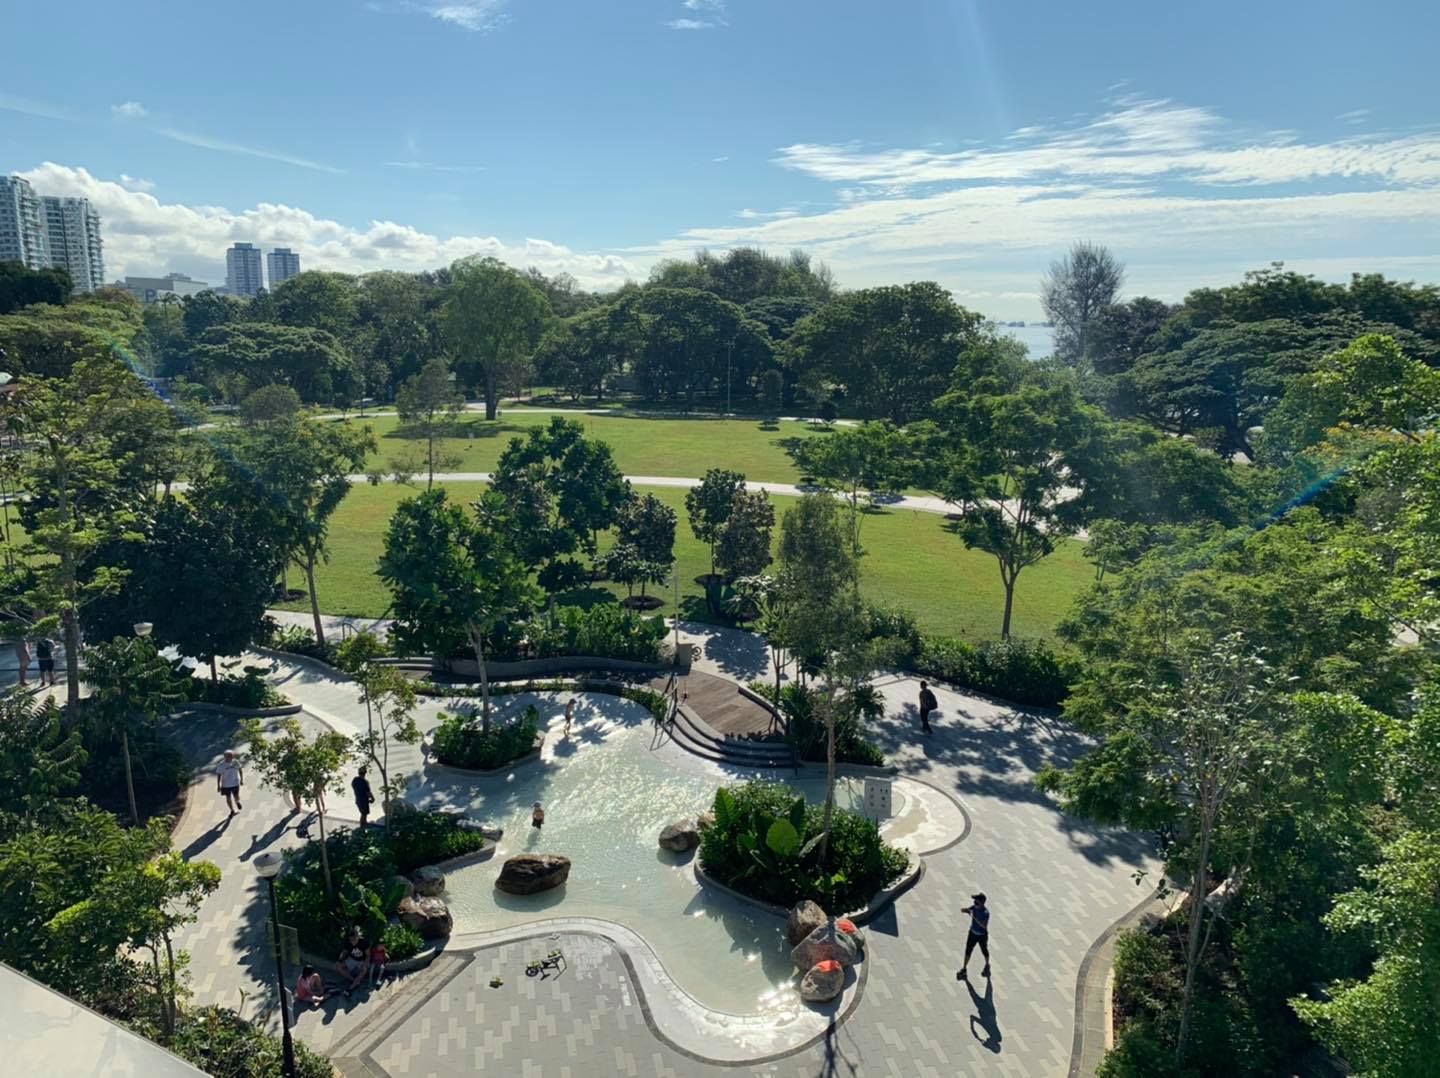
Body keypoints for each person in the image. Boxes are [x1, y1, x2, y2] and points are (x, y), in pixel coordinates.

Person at [957, 892, 991, 980]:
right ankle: (964, 969)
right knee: (968, 950)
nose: (974, 902)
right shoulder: (974, 907)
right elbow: (968, 910)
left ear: (981, 902)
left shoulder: (985, 913)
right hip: (972, 933)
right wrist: (965, 910)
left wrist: (974, 917)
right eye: (975, 900)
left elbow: (984, 925)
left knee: (984, 951)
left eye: (976, 901)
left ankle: (987, 965)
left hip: (982, 936)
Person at [336, 928, 369, 996]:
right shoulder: (348, 942)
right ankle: (353, 980)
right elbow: (344, 952)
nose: (352, 942)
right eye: (351, 940)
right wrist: (339, 960)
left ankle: (350, 988)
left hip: (362, 960)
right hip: (352, 959)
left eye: (354, 939)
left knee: (364, 970)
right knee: (338, 966)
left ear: (358, 937)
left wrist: (365, 964)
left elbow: (368, 955)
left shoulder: (364, 942)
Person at [217, 750, 244, 814]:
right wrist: (218, 785)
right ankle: (232, 810)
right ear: (225, 757)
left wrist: (241, 780)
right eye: (229, 756)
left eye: (232, 756)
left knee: (236, 796)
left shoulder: (235, 762)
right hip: (226, 785)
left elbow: (240, 770)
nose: (231, 757)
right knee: (228, 797)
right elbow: (219, 775)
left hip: (235, 783)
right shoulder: (221, 765)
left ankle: (237, 802)